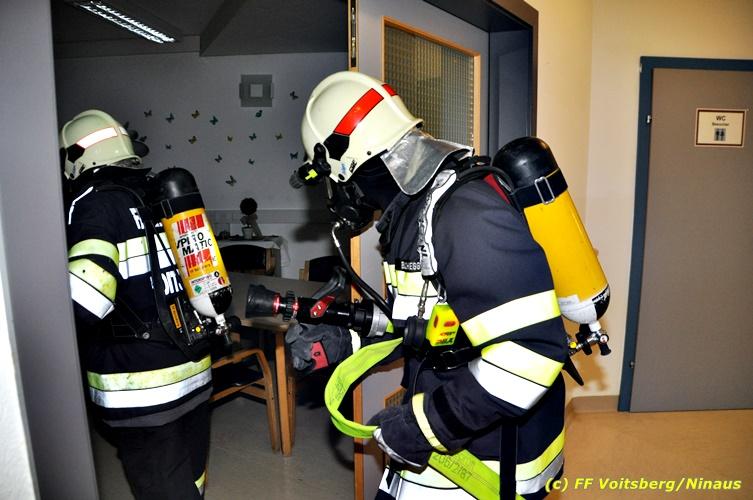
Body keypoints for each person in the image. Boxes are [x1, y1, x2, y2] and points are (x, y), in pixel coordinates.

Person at [287, 71, 568, 499]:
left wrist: (423, 427)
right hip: (452, 434)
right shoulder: (416, 212)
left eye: (330, 179)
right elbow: (421, 320)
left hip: (486, 462)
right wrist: (346, 339)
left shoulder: (465, 214)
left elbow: (530, 352)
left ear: (346, 162)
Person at [61, 109, 212, 499]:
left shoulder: (94, 203)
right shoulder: (159, 195)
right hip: (194, 368)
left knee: (162, 487)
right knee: (190, 477)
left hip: (142, 388)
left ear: (75, 159)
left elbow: (87, 299)